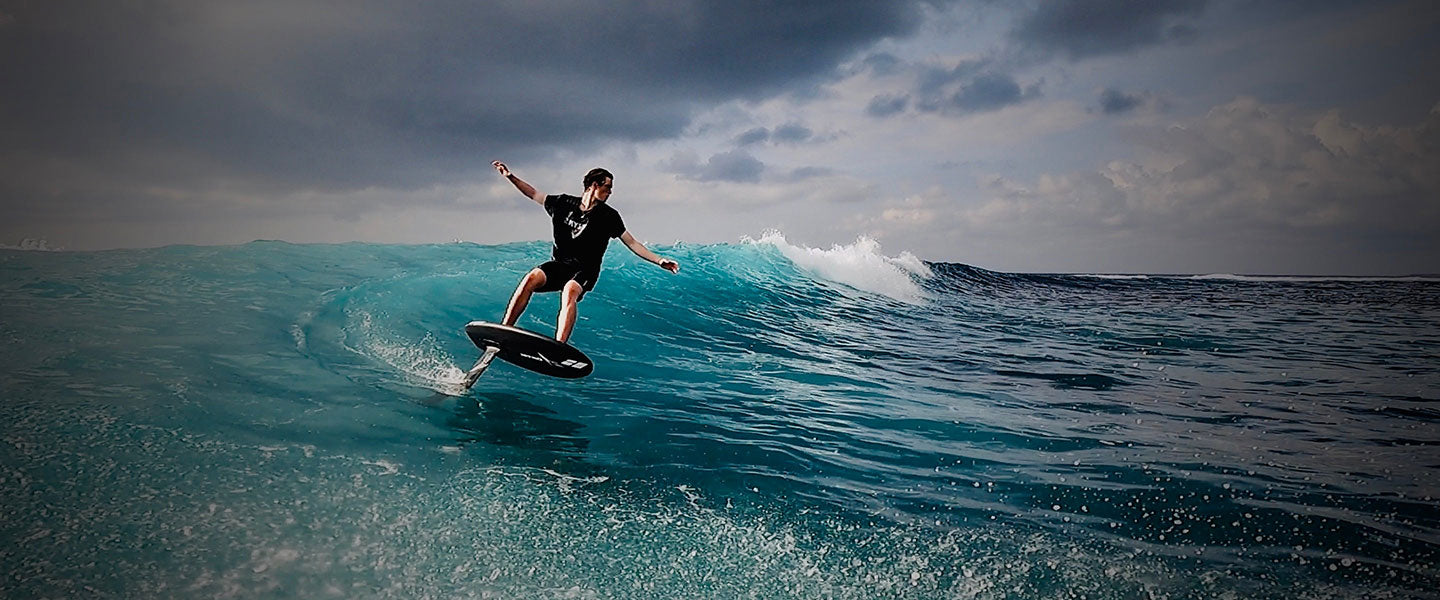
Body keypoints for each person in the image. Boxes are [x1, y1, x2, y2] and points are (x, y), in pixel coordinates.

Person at [491, 160, 679, 344]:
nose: (610, 192)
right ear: (594, 185)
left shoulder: (609, 216)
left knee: (570, 290)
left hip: (586, 270)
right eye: (607, 187)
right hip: (560, 265)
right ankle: (505, 329)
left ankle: (559, 346)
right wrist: (510, 176)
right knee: (531, 278)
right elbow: (533, 193)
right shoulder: (563, 203)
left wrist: (659, 260)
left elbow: (632, 243)